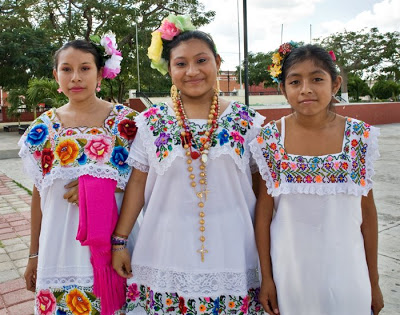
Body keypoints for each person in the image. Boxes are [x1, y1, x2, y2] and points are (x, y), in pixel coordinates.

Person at [111, 14, 265, 314]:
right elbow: (138, 184)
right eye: (181, 63)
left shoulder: (249, 122)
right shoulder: (150, 122)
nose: (192, 71)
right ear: (169, 70)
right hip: (165, 251)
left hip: (235, 253)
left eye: (201, 60)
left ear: (217, 62)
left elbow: (262, 193)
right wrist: (120, 241)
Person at [250, 43, 384, 315]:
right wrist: (266, 278)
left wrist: (374, 281)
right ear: (283, 89)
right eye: (295, 81)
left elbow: (367, 214)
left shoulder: (359, 137)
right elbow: (263, 215)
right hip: (292, 276)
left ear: (335, 84)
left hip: (349, 274)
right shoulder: (269, 140)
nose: (306, 89)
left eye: (317, 79)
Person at [20, 34, 140, 315]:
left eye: (85, 68)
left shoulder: (127, 124)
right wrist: (34, 254)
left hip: (116, 245)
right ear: (55, 74)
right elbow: (40, 197)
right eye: (66, 69)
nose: (75, 77)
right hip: (59, 248)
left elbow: (143, 183)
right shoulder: (42, 130)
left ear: (100, 73)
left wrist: (98, 187)